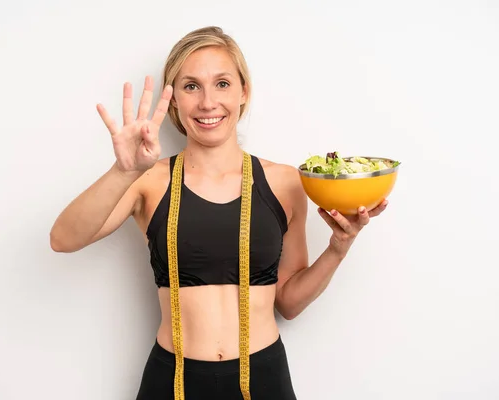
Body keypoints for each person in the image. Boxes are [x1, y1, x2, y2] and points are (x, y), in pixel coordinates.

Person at [49, 26, 388, 400]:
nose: (208, 102)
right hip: (173, 380)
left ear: (244, 91)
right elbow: (62, 239)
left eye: (222, 83)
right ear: (174, 98)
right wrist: (123, 171)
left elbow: (289, 303)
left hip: (263, 378)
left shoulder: (284, 182)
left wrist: (339, 247)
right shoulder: (148, 180)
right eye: (191, 86)